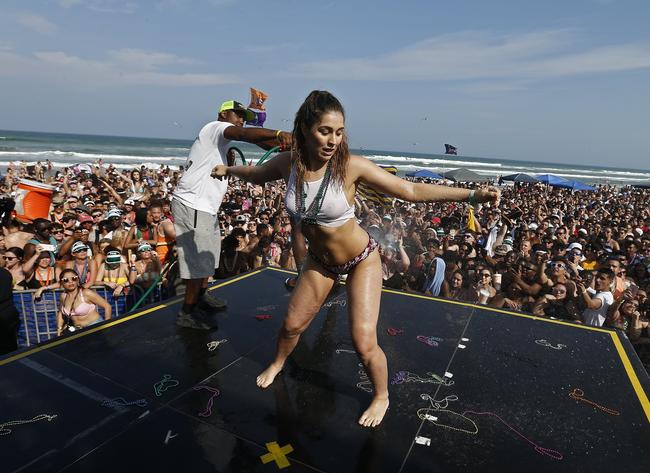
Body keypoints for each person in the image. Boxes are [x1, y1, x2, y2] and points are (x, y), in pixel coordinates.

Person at [211, 90, 500, 427]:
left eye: (339, 131)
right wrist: (227, 169)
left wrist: (472, 194)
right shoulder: (289, 163)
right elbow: (256, 175)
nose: (333, 140)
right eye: (324, 131)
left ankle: (381, 395)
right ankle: (277, 363)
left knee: (364, 343)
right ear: (304, 128)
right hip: (320, 263)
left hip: (361, 259)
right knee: (291, 326)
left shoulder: (349, 167)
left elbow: (410, 190)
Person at [171, 99, 292, 329]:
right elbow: (245, 135)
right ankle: (187, 313)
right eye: (237, 115)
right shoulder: (214, 127)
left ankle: (202, 297)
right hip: (193, 204)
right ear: (223, 114)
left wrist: (285, 144)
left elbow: (263, 144)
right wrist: (278, 133)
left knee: (208, 258)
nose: (240, 121)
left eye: (243, 117)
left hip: (205, 208)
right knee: (199, 264)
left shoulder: (221, 144)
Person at [57, 269, 111, 336]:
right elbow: (60, 313)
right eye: (66, 280)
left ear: (78, 280)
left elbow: (107, 306)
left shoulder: (86, 293)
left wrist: (106, 326)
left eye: (74, 278)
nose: (70, 282)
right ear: (62, 283)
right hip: (78, 331)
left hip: (95, 327)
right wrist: (59, 329)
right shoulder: (63, 296)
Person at [0, 267, 20, 354]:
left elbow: (3, 294)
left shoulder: (3, 273)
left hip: (5, 315)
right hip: (6, 314)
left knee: (8, 347)